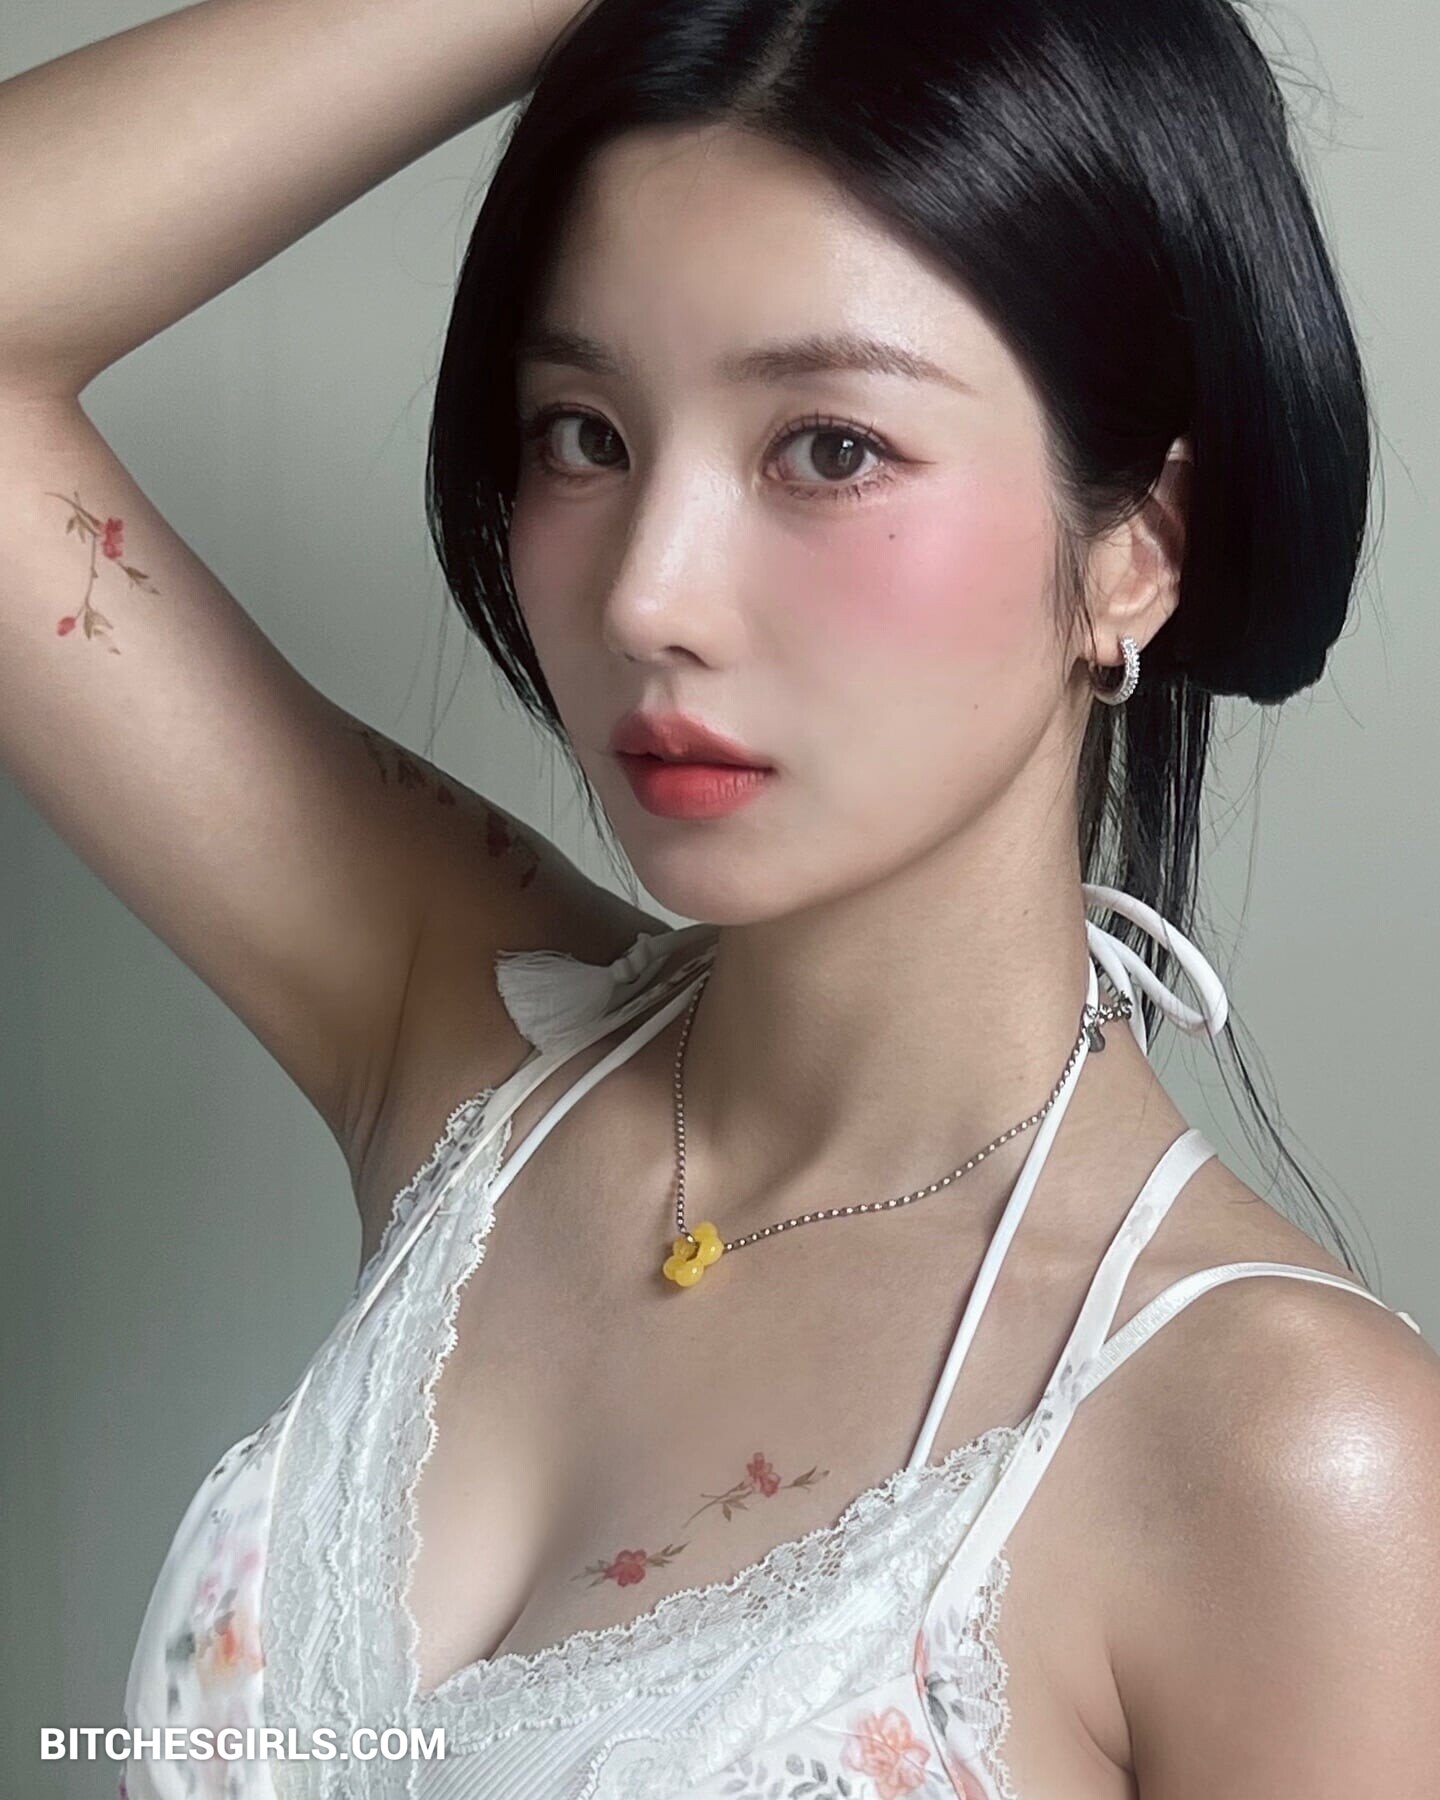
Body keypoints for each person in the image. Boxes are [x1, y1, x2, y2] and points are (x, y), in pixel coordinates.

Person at [2, 0, 1435, 1795]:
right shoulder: (467, 1046)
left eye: (828, 448)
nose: (646, 597)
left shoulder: (1288, 1459)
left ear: (1136, 547)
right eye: (584, 434)